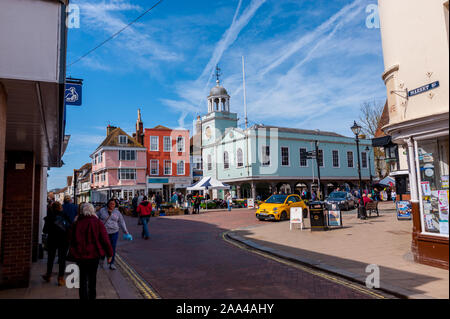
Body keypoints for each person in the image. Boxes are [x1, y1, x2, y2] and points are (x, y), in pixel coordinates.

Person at [67, 203, 113, 300]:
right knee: (92, 278)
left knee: (82, 279)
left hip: (80, 255)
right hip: (94, 255)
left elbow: (70, 238)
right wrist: (110, 254)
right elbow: (105, 240)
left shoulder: (77, 223)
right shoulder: (98, 222)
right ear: (92, 211)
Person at [42, 201, 71, 286]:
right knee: (62, 260)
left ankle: (48, 275)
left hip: (52, 240)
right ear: (61, 208)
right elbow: (70, 226)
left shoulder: (49, 217)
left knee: (50, 258)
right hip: (64, 240)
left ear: (52, 208)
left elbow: (45, 230)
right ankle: (60, 278)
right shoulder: (65, 216)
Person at [97, 199, 130, 270]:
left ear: (115, 205)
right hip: (104, 232)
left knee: (113, 248)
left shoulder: (117, 212)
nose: (112, 205)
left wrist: (126, 231)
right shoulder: (102, 210)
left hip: (114, 232)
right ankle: (101, 261)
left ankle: (111, 263)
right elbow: (96, 218)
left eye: (113, 204)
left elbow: (122, 222)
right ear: (108, 204)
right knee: (103, 247)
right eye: (111, 203)